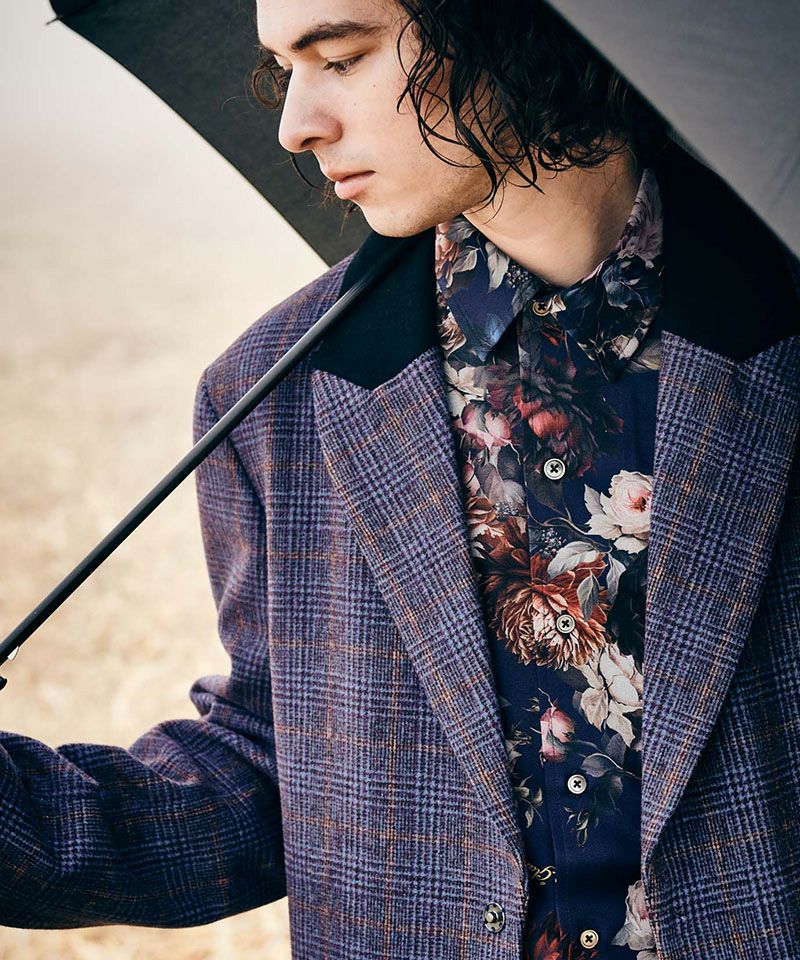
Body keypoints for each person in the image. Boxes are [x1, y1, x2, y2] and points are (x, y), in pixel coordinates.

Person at [1, 1, 799, 957]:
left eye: (341, 56)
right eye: (285, 69)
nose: (296, 124)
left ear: (506, 23)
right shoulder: (275, 399)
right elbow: (275, 765)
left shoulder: (778, 328)